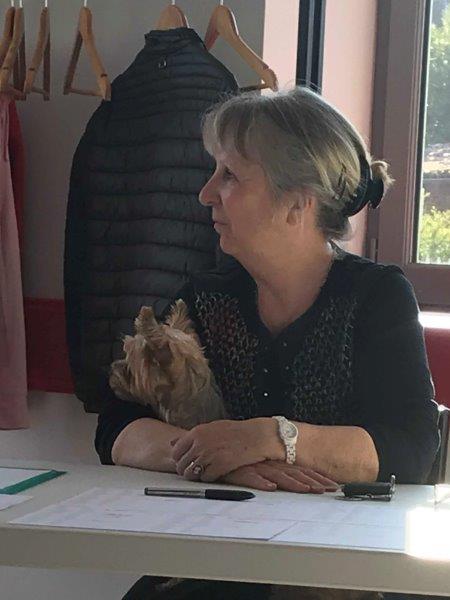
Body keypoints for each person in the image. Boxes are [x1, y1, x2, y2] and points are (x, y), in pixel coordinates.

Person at [95, 87, 440, 600]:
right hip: (218, 563)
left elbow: (411, 448)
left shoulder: (376, 297)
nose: (206, 193)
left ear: (297, 201)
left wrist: (271, 437)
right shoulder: (204, 296)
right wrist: (220, 457)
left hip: (340, 572)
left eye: (230, 175)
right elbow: (116, 427)